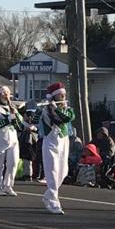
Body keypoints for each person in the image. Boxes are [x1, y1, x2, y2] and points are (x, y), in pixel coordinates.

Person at [39, 83, 76, 214]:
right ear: (54, 96)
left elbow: (67, 117)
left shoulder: (67, 109)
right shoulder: (46, 111)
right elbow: (53, 120)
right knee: (53, 171)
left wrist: (57, 109)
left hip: (63, 141)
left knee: (63, 171)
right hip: (51, 141)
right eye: (61, 95)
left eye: (65, 95)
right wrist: (52, 108)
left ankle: (48, 195)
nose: (64, 97)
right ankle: (54, 202)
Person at [0, 86, 22, 197]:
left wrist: (15, 115)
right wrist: (8, 119)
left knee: (13, 163)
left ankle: (8, 186)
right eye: (4, 93)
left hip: (12, 138)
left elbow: (19, 124)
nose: (6, 95)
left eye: (8, 93)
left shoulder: (12, 107)